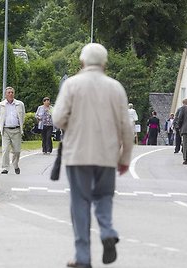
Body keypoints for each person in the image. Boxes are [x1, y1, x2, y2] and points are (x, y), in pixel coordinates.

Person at [52, 43, 134, 268]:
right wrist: (125, 158)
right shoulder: (116, 87)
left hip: (77, 154)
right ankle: (107, 231)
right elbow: (126, 127)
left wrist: (72, 121)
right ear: (105, 63)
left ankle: (83, 258)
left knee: (80, 203)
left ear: (82, 62)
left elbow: (57, 118)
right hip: (107, 156)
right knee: (104, 197)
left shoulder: (72, 85)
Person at [0, 87, 26, 174]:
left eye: (12, 92)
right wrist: (2, 126)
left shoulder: (20, 104)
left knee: (17, 151)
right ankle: (5, 168)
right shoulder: (0, 105)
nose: (10, 94)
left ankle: (15, 165)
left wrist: (20, 126)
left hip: (16, 130)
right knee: (5, 150)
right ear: (5, 94)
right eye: (8, 92)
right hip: (5, 130)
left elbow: (22, 116)